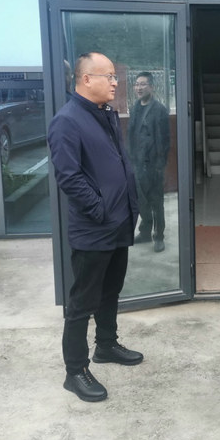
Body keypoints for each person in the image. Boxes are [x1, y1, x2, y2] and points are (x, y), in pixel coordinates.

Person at [47, 52, 144, 403]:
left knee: (111, 290)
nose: (116, 82)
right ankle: (75, 371)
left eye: (115, 76)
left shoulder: (105, 113)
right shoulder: (67, 121)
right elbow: (68, 177)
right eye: (109, 76)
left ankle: (106, 345)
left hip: (118, 222)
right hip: (94, 228)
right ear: (87, 79)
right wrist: (100, 209)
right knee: (82, 303)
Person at [127, 72, 171, 253]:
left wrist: (160, 165)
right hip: (137, 164)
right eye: (137, 84)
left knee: (156, 202)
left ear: (151, 87)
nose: (139, 87)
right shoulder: (134, 108)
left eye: (143, 84)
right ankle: (145, 232)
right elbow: (131, 136)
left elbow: (165, 141)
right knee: (141, 201)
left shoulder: (159, 110)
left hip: (153, 165)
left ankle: (159, 236)